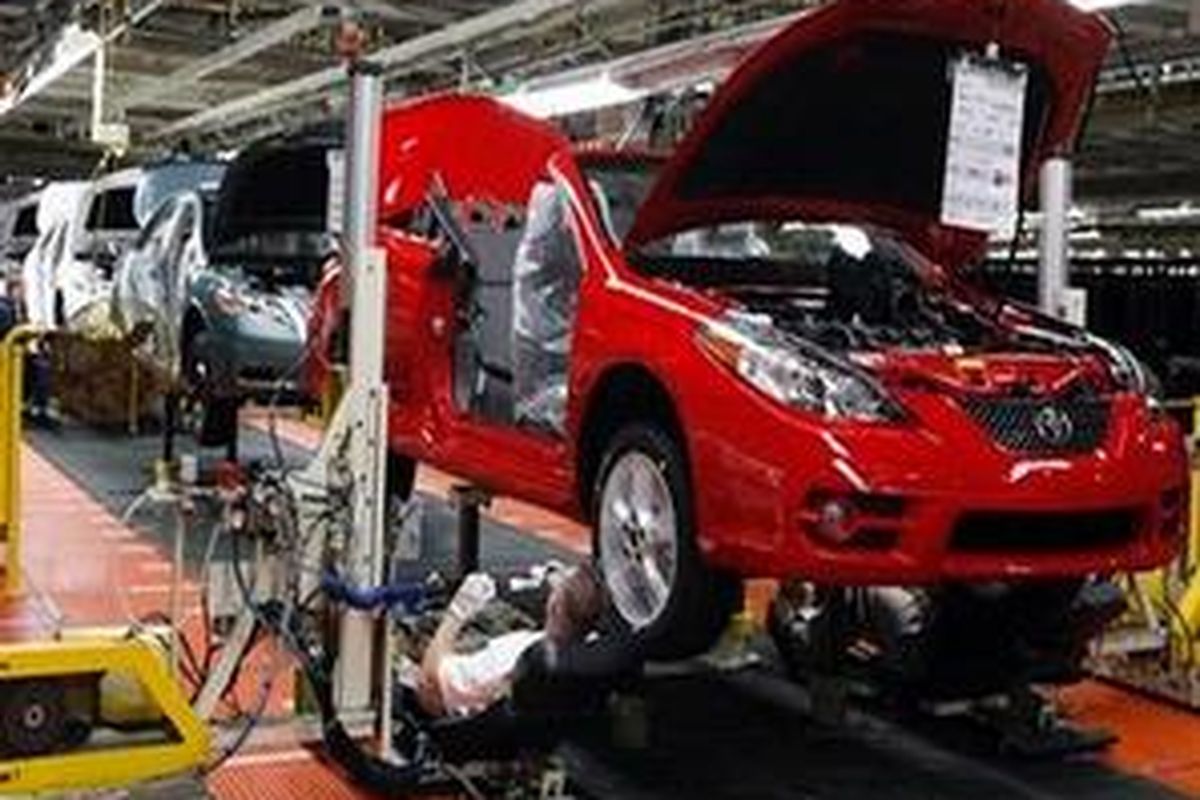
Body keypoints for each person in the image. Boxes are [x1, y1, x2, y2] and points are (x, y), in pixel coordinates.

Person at [417, 563, 606, 718]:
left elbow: (428, 688)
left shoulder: (506, 661)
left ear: (555, 606)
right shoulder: (593, 654)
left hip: (461, 726)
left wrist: (457, 612)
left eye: (561, 584)